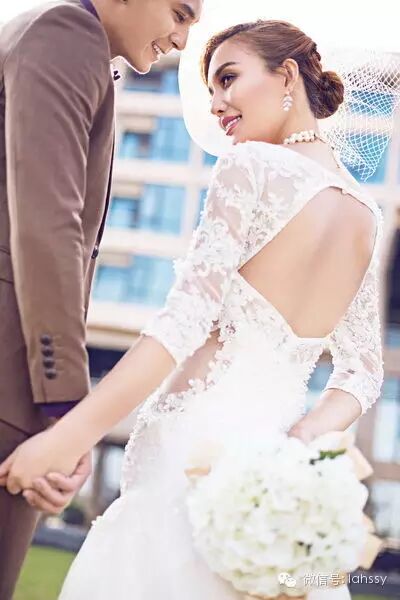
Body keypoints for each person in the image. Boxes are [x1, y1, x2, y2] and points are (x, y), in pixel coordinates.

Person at [0, 19, 384, 600]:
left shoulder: (252, 168)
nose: (217, 105)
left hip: (189, 455)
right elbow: (362, 373)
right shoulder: (365, 213)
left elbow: (183, 322)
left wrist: (69, 436)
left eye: (228, 79)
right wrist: (299, 443)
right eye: (211, 91)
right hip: (271, 470)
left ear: (286, 76)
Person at [0, 0, 201, 597]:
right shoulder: (66, 33)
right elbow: (49, 226)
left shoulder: (52, 35)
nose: (182, 40)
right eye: (180, 13)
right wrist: (65, 410)